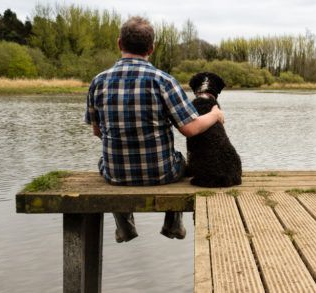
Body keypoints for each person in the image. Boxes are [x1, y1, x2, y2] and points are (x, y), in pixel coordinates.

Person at [84, 16, 224, 242]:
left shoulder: (98, 81)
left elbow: (97, 132)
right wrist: (214, 114)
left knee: (105, 161)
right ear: (151, 48)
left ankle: (125, 225)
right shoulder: (164, 80)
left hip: (115, 174)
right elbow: (190, 128)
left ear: (119, 43)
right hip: (162, 173)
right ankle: (173, 224)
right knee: (180, 161)